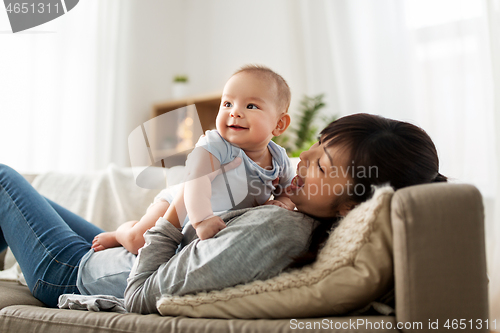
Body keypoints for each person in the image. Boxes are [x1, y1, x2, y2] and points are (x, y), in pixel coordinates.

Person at [0, 113, 447, 310]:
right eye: (315, 148)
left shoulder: (278, 229)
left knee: (2, 177)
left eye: (323, 165)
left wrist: (175, 211)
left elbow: (141, 297)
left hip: (73, 272)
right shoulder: (291, 207)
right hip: (110, 257)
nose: (304, 160)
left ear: (351, 205)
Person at [91, 64, 294, 254]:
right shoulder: (216, 145)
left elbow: (290, 191)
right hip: (180, 204)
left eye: (251, 106)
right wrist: (203, 219)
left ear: (279, 124)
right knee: (140, 242)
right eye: (227, 103)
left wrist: (283, 202)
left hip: (217, 221)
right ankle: (121, 233)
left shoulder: (278, 158)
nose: (235, 112)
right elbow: (197, 179)